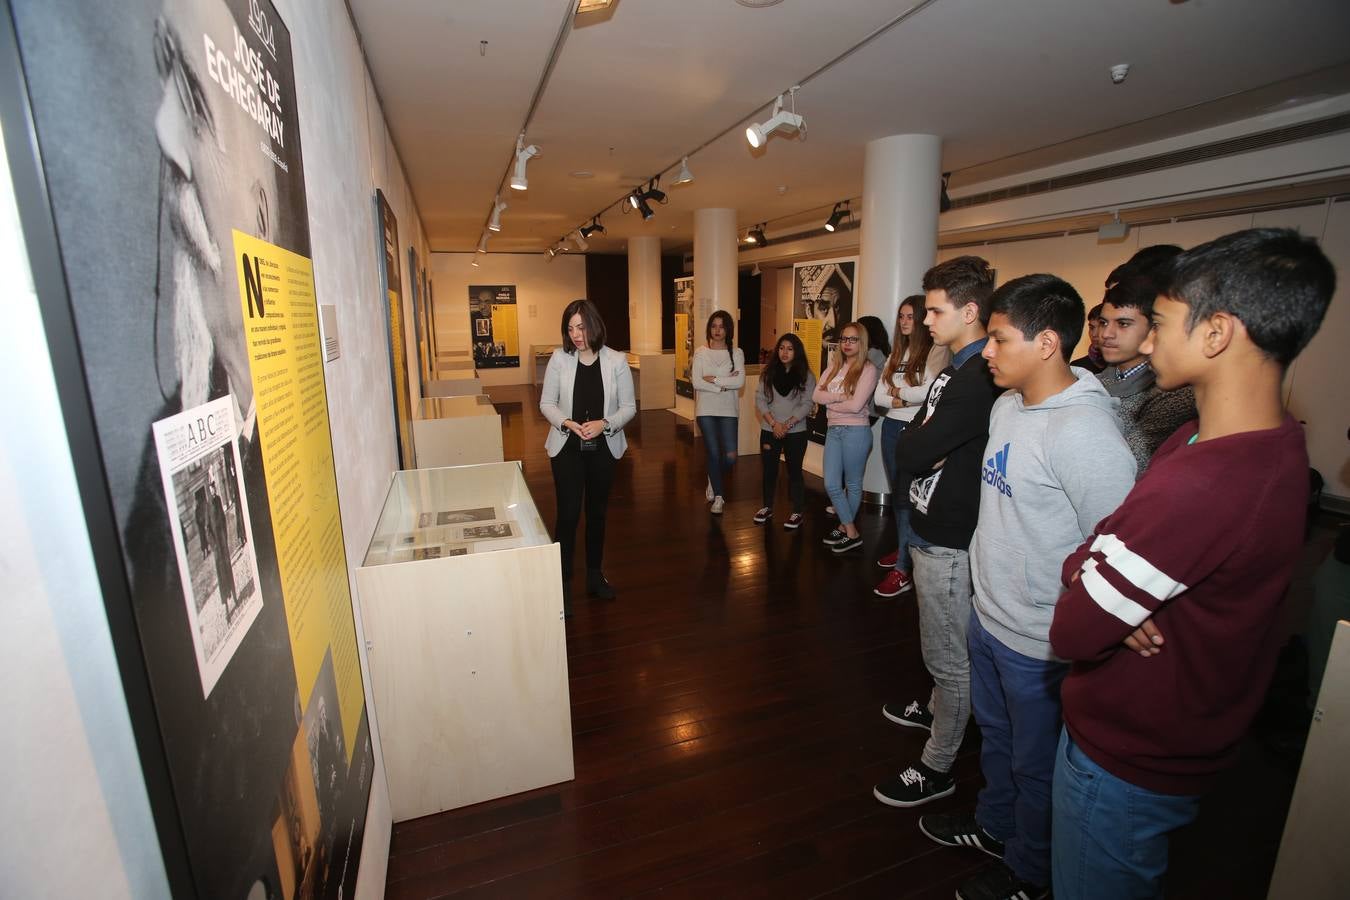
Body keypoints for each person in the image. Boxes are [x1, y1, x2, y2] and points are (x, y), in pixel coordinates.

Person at [1049, 228, 1336, 899]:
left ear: (1217, 334)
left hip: (1126, 758)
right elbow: (1093, 557)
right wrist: (1093, 574)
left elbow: (1071, 628)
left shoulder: (1206, 482)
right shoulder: (1228, 441)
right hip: (1169, 736)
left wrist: (1093, 583)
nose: (1147, 342)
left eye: (1164, 323)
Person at [917, 275, 1136, 900]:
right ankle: (995, 826)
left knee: (1036, 765)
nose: (986, 352)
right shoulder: (1008, 405)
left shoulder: (1085, 434)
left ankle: (1030, 872)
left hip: (1039, 640)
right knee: (1000, 742)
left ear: (1045, 343)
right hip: (989, 617)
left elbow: (1116, 543)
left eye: (998, 339)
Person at [873, 256, 1000, 809]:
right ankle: (937, 710)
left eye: (935, 310)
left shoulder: (975, 377)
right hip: (932, 526)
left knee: (950, 657)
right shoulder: (954, 367)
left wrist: (919, 432)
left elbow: (916, 445)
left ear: (970, 311)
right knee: (939, 650)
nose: (925, 320)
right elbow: (916, 437)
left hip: (949, 536)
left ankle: (939, 764)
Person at [539, 299, 636, 602]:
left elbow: (629, 408)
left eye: (580, 327)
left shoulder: (616, 361)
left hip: (603, 448)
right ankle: (562, 582)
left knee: (597, 514)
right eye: (570, 329)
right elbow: (546, 403)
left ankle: (595, 575)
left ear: (593, 325)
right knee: (567, 515)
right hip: (567, 446)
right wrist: (567, 422)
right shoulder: (559, 359)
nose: (576, 335)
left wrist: (605, 424)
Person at [872, 295, 950, 598]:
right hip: (890, 426)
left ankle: (903, 569)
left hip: (912, 428)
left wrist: (898, 393)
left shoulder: (934, 349)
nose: (905, 322)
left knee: (907, 500)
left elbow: (929, 391)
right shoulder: (896, 352)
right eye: (901, 316)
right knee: (898, 497)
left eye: (910, 317)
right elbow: (879, 398)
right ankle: (903, 548)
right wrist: (902, 396)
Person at [1096, 246, 1197, 474]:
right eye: (1103, 322)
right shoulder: (1089, 381)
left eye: (1123, 324)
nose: (1106, 334)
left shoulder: (1177, 394)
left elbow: (1125, 468)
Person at [813, 322, 880, 554]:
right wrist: (841, 396)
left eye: (853, 339)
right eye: (843, 339)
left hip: (856, 431)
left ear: (862, 342)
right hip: (834, 430)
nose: (847, 344)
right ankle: (851, 530)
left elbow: (856, 406)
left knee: (852, 484)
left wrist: (831, 400)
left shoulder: (868, 369)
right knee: (831, 483)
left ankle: (845, 528)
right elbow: (815, 395)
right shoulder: (834, 365)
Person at [753, 333, 816, 530]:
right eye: (781, 348)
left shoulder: (807, 375)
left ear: (796, 352)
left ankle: (797, 511)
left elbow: (807, 404)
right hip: (770, 429)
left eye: (789, 348)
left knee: (794, 471)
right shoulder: (768, 373)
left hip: (796, 431)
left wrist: (787, 424)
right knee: (769, 470)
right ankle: (767, 507)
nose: (784, 352)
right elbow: (760, 399)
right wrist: (774, 424)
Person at [692, 310, 745, 515]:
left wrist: (712, 379)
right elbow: (696, 381)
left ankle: (713, 478)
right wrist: (723, 385)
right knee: (714, 452)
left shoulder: (737, 352)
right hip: (706, 409)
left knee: (730, 456)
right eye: (714, 326)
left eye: (721, 326)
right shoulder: (701, 352)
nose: (717, 330)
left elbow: (739, 382)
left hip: (728, 409)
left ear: (728, 330)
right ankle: (719, 497)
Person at [1068, 303, 1106, 373]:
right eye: (1091, 328)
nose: (1094, 334)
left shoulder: (1123, 364)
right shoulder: (1077, 367)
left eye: (1101, 327)